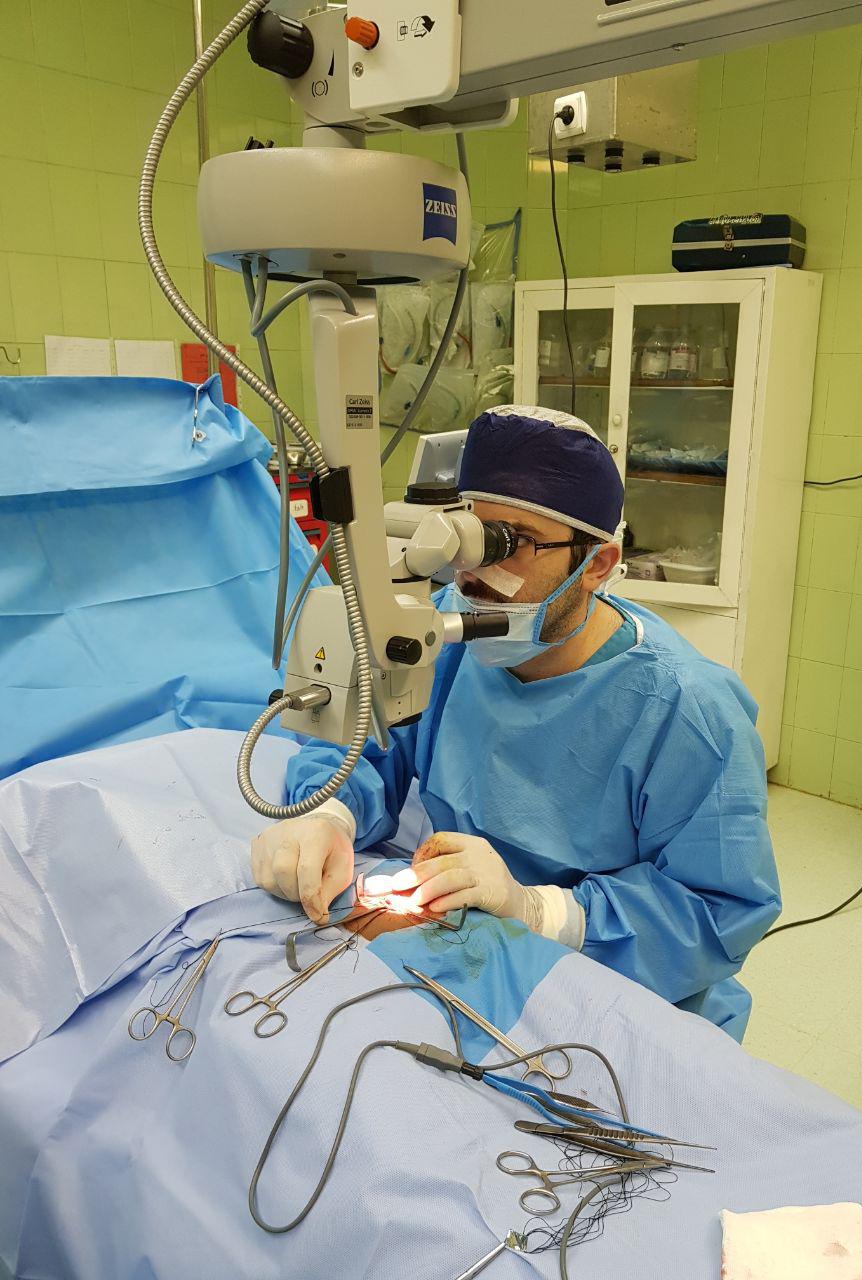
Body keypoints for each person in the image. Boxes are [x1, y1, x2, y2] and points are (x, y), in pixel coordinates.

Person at [251, 405, 781, 1040]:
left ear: (599, 564)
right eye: (470, 535)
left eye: (513, 542)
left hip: (619, 992)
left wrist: (537, 910)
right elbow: (368, 743)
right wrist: (329, 819)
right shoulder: (440, 633)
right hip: (466, 947)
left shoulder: (687, 710)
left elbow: (717, 908)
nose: (475, 573)